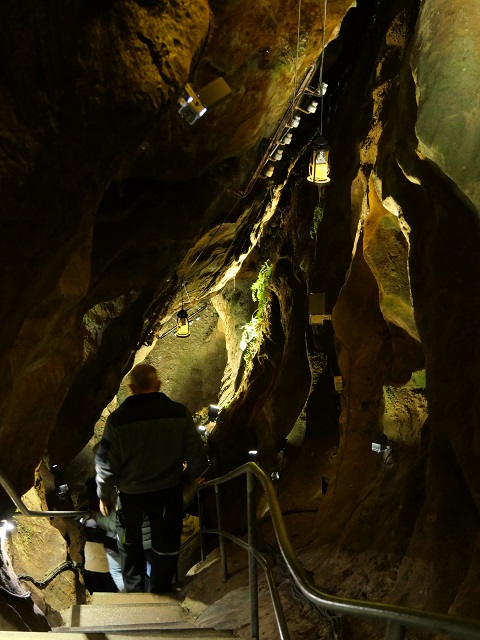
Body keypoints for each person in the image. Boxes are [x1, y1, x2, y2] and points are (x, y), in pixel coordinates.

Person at [95, 363, 207, 593]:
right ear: (157, 385)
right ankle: (161, 594)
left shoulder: (117, 421)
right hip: (168, 492)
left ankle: (135, 596)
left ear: (131, 388)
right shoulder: (179, 413)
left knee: (129, 546)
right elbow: (197, 455)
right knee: (165, 548)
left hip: (131, 495)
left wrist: (104, 494)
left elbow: (106, 463)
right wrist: (186, 480)